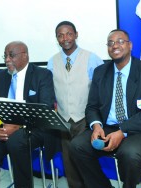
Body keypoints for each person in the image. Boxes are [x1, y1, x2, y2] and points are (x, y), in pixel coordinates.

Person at [69, 29, 141, 188]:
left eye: (120, 41)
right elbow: (92, 106)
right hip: (108, 127)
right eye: (111, 42)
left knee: (129, 153)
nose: (115, 45)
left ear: (130, 45)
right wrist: (96, 126)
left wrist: (123, 131)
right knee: (77, 145)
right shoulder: (100, 72)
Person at [0, 41, 60, 188]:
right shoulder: (2, 75)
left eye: (11, 56)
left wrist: (19, 126)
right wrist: (0, 127)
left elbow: (45, 109)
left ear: (25, 55)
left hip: (36, 129)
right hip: (7, 128)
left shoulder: (42, 74)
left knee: (16, 143)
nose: (7, 60)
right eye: (5, 56)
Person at [47, 21, 104, 188]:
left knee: (86, 159)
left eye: (69, 34)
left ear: (76, 34)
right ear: (57, 38)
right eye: (60, 35)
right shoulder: (52, 61)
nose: (65, 38)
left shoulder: (92, 58)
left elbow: (101, 89)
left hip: (85, 118)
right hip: (64, 119)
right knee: (68, 160)